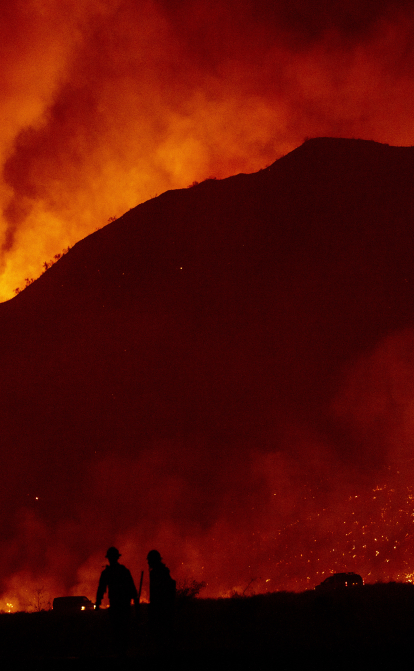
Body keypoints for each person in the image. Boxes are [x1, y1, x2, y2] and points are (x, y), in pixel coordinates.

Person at [96, 546, 138, 655]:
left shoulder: (108, 572)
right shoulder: (123, 571)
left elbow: (101, 589)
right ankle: (122, 653)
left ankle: (119, 654)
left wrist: (97, 603)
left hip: (117, 606)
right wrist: (137, 606)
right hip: (123, 606)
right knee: (123, 631)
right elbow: (132, 590)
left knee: (117, 631)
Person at [147, 549, 176, 648]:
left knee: (161, 632)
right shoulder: (161, 571)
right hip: (163, 606)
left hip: (161, 607)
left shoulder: (157, 573)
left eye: (149, 560)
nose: (148, 563)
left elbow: (159, 589)